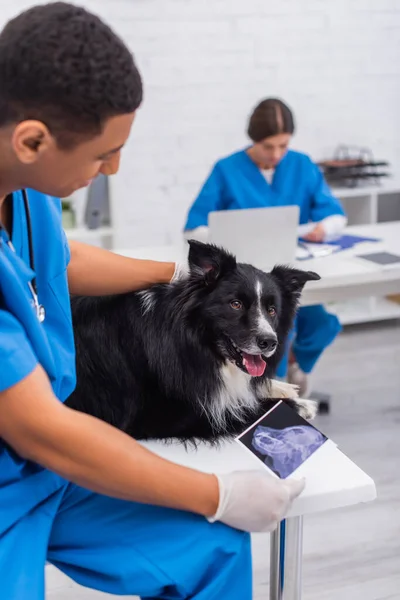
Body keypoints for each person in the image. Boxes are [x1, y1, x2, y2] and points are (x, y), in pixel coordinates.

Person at [0, 5, 305, 599]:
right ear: (32, 139)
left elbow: (63, 262)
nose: (113, 167)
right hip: (23, 464)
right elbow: (40, 428)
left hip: (48, 468)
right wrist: (215, 494)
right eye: (101, 155)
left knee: (213, 549)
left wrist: (178, 274)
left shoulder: (26, 191)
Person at [184, 98, 346, 396]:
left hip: (282, 275)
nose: (276, 154)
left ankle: (297, 364)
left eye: (283, 146)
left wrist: (324, 228)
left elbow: (335, 214)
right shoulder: (226, 169)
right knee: (274, 335)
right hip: (246, 279)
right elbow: (194, 227)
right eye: (268, 147)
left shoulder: (302, 165)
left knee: (323, 324)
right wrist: (225, 234)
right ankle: (273, 394)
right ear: (253, 139)